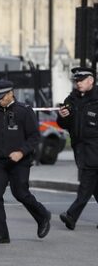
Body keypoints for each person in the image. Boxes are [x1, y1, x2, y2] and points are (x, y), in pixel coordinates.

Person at [0, 80, 51, 244]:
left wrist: (21, 152)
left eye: (1, 97)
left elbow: (35, 137)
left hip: (20, 162)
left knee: (20, 193)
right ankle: (1, 234)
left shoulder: (24, 111)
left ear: (10, 93)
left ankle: (42, 216)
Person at [58, 67, 98, 230]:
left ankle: (71, 215)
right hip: (79, 146)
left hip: (94, 147)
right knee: (95, 185)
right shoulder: (71, 98)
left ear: (91, 81)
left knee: (87, 180)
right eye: (76, 81)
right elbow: (63, 124)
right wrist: (62, 117)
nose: (78, 83)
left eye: (81, 80)